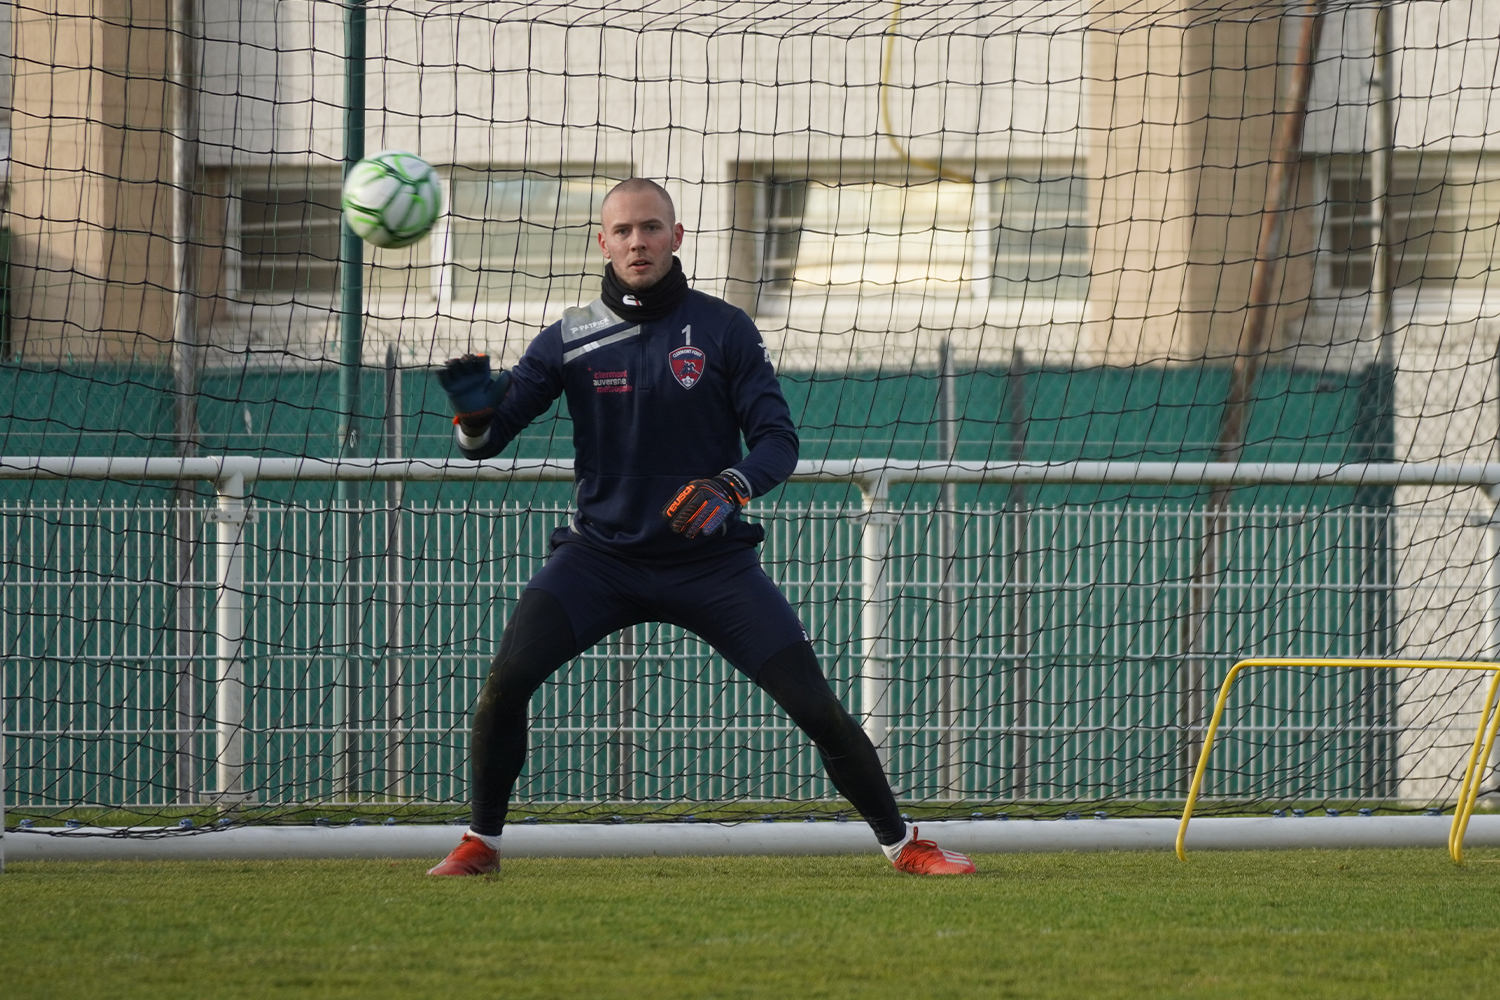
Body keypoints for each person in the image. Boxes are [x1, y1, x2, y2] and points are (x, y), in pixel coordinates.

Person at [427, 178, 975, 877]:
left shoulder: (724, 328)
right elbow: (486, 443)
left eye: (651, 228)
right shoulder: (570, 337)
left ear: (676, 236)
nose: (637, 242)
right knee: (505, 683)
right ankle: (481, 844)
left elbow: (778, 440)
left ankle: (905, 845)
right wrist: (474, 415)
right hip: (599, 561)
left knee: (816, 706)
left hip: (711, 566)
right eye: (623, 231)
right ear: (602, 242)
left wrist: (731, 485)